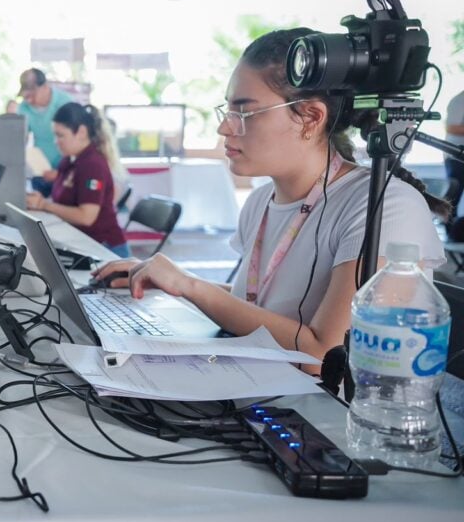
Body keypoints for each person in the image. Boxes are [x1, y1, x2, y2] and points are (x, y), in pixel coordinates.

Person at [92, 28, 446, 366]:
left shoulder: (385, 207)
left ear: (310, 118)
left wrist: (191, 286)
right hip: (261, 383)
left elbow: (324, 355)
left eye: (244, 112)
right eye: (228, 110)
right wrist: (172, 286)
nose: (224, 127)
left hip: (328, 417)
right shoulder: (261, 201)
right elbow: (264, 302)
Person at [25, 102, 129, 257]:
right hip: (83, 243)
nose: (56, 141)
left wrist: (43, 205)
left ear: (81, 132)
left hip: (105, 250)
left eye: (61, 135)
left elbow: (86, 217)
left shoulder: (93, 164)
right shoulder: (70, 160)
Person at [17, 67, 73, 195]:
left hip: (66, 171)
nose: (29, 100)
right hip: (41, 172)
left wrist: (62, 172)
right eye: (26, 96)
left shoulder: (65, 103)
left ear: (45, 87)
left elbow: (76, 142)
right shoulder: (23, 108)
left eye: (32, 95)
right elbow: (20, 139)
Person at [443, 89, 464, 217]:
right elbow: (450, 127)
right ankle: (448, 232)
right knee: (454, 195)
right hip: (456, 157)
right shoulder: (459, 100)